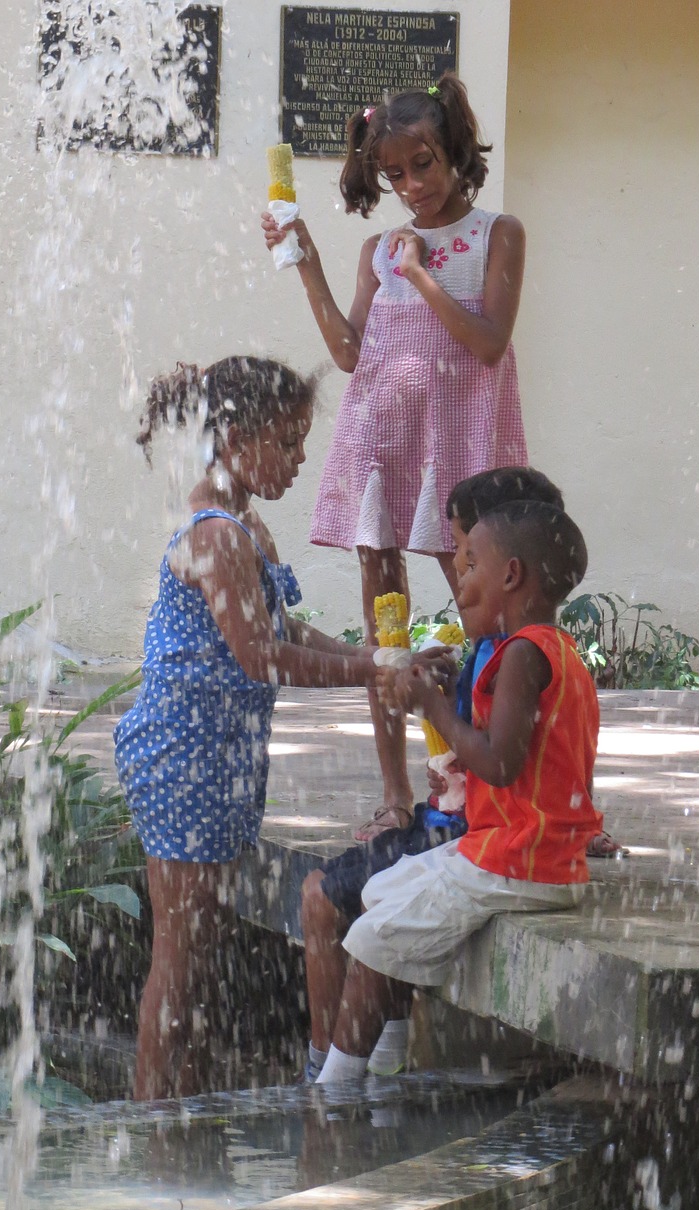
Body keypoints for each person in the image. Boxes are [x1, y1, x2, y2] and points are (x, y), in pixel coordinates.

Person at [262, 71, 527, 841]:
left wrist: (421, 274)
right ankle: (393, 791)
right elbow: (350, 353)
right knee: (390, 631)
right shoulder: (378, 250)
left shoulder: (495, 235)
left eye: (425, 166)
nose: (412, 186)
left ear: (454, 151)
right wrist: (306, 257)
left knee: (494, 624)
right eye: (395, 174)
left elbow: (488, 343)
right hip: (383, 448)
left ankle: (516, 777)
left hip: (461, 459)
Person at [114, 356, 380, 1101]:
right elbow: (261, 657)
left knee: (203, 949)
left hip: (220, 760)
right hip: (183, 760)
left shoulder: (247, 525)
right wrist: (369, 675)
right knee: (178, 955)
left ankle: (188, 1116)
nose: (300, 460)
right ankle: (152, 1130)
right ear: (234, 436)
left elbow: (286, 628)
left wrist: (374, 658)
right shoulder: (219, 536)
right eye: (288, 443)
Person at [313, 500, 603, 1086]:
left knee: (368, 936)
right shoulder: (551, 652)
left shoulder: (525, 654)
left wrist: (434, 708)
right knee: (379, 892)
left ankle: (333, 1099)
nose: (461, 583)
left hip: (519, 861)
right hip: (524, 855)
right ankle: (387, 1076)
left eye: (470, 565)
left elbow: (497, 763)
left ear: (511, 576)